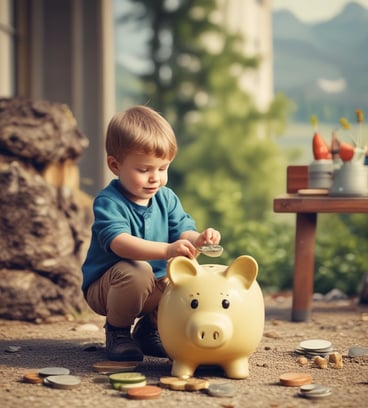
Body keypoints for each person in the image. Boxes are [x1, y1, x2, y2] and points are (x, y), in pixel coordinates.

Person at [81, 105, 221, 361]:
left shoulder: (165, 198)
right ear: (115, 165)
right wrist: (167, 250)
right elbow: (120, 244)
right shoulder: (109, 202)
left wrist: (198, 239)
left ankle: (150, 329)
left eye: (163, 168)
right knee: (137, 270)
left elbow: (183, 232)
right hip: (110, 287)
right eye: (144, 170)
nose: (155, 178)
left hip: (153, 285)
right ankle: (118, 331)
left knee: (186, 268)